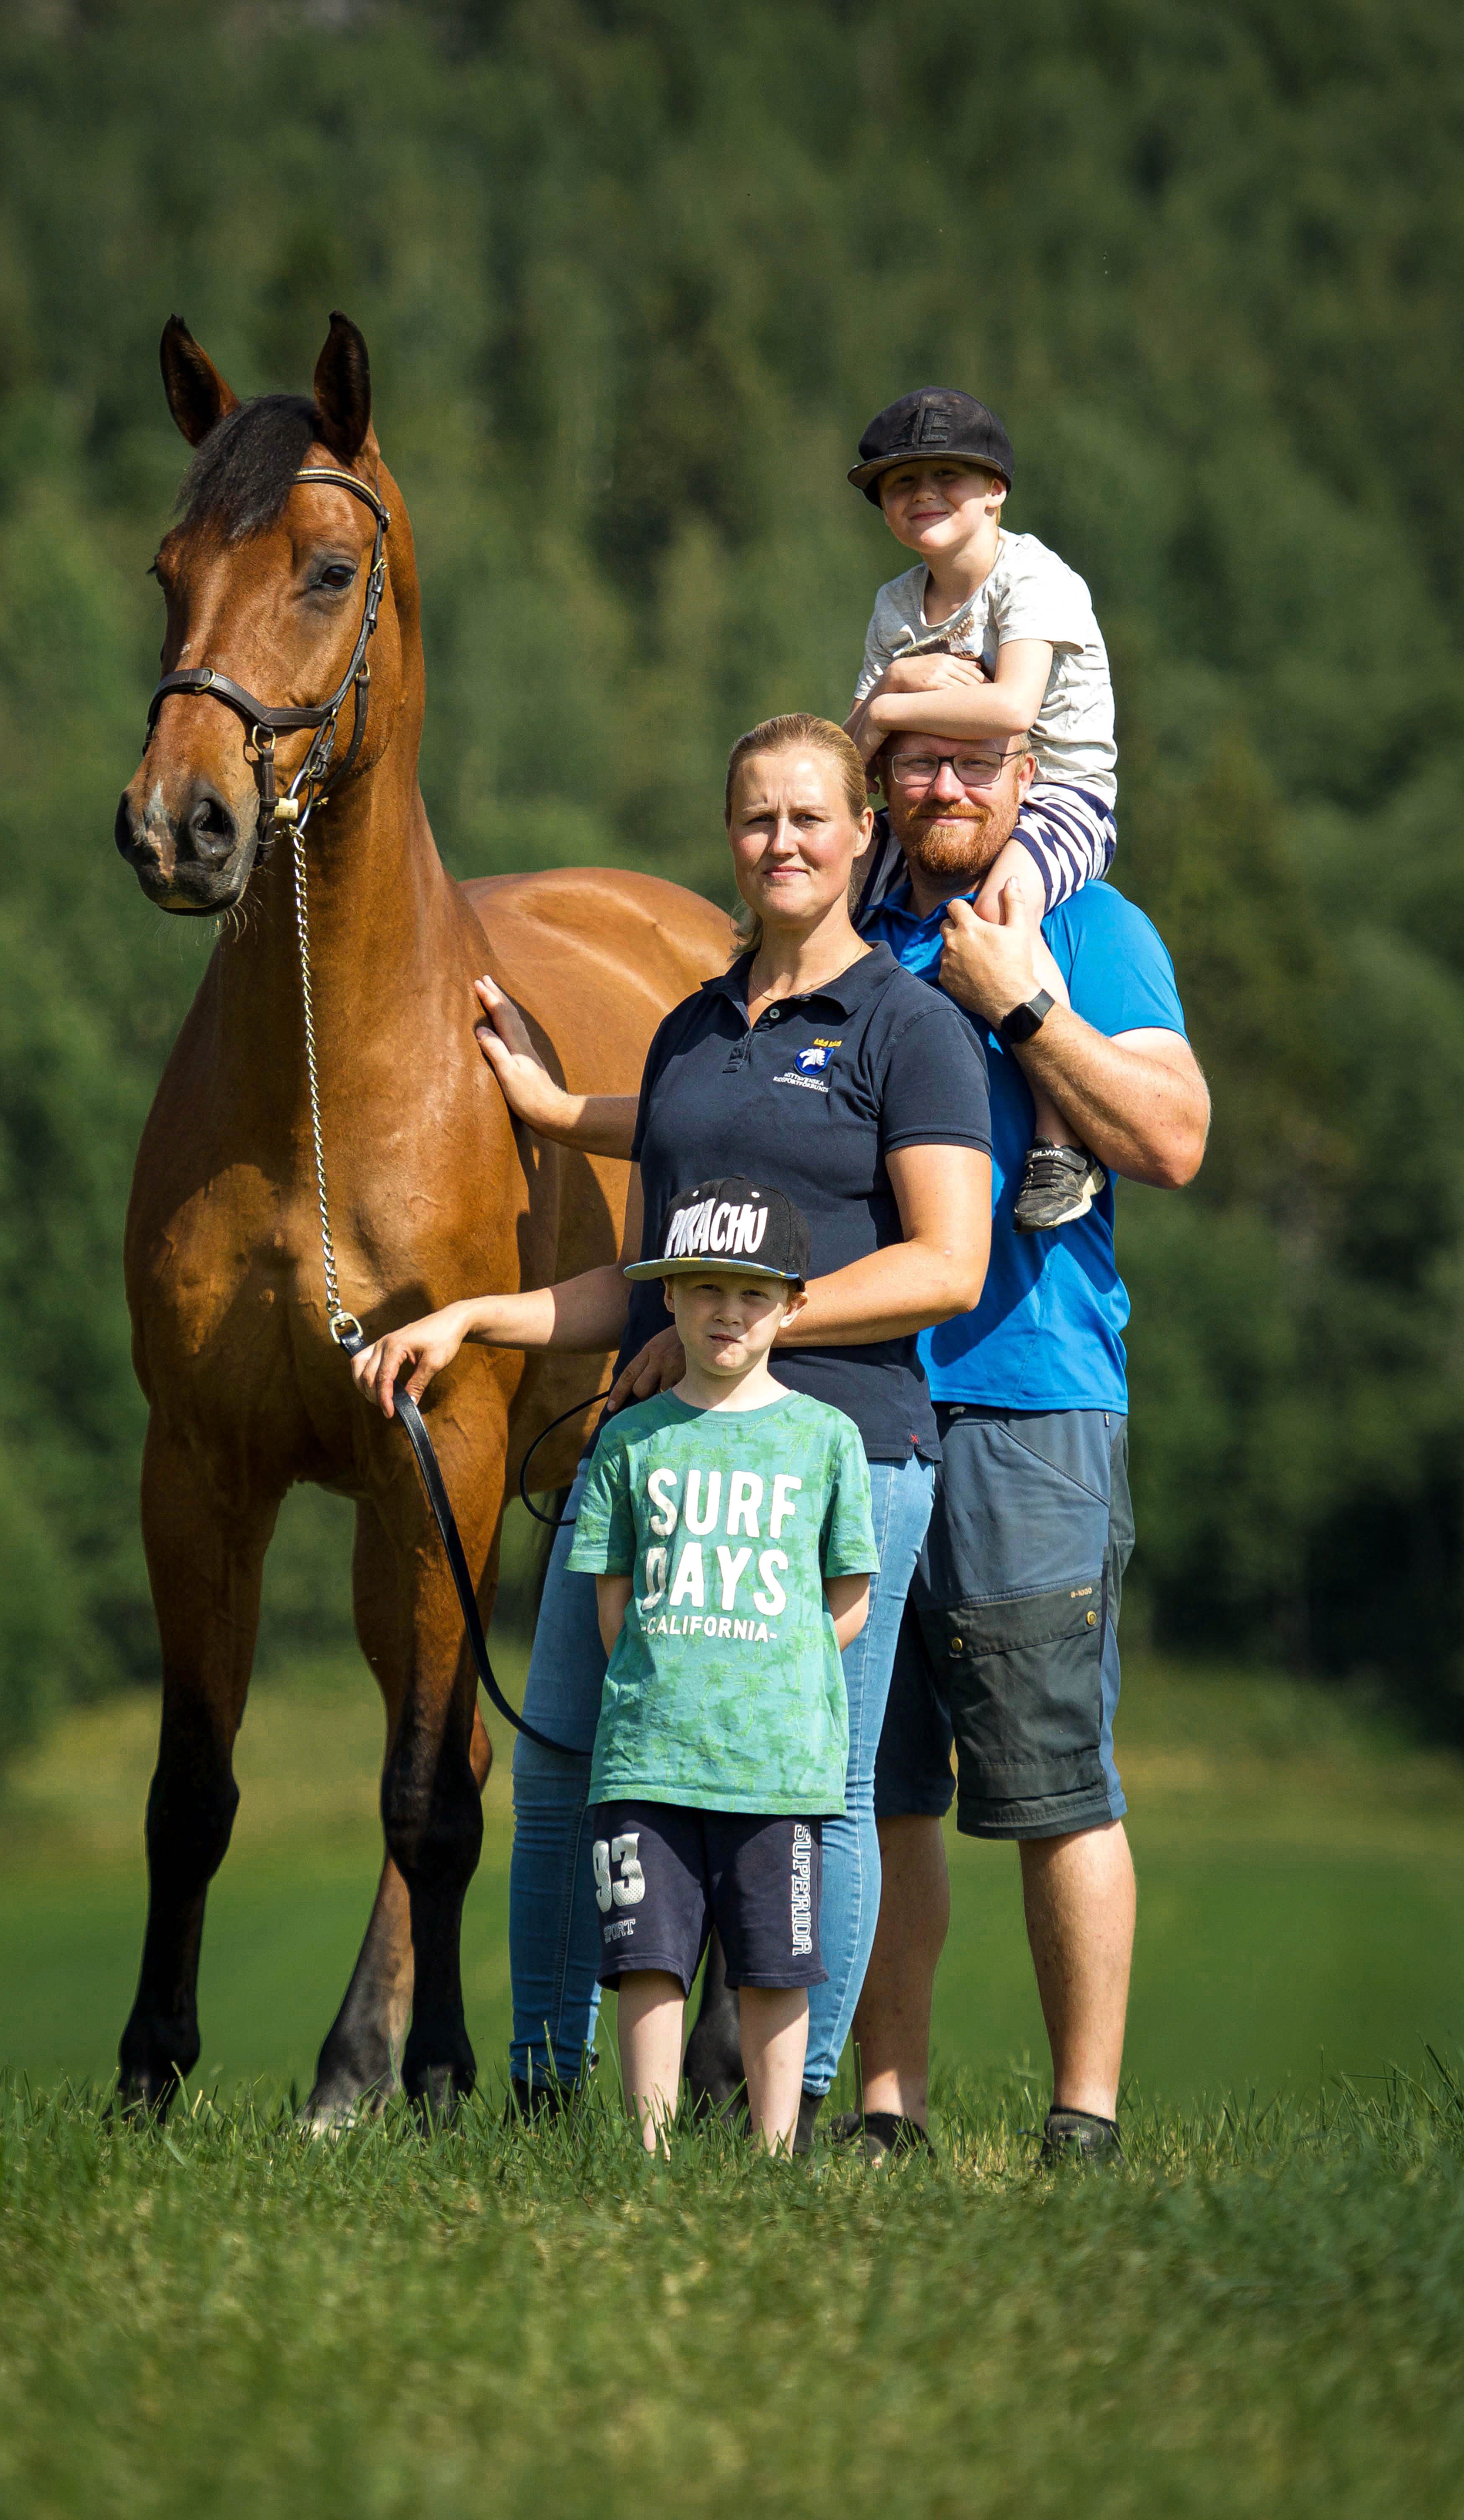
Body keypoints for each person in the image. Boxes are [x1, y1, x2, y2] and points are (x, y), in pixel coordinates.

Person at [357, 713, 992, 2139]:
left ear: (861, 836)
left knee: (813, 1786)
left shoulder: (913, 1029)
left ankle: (795, 2106)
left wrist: (758, 1320)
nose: (783, 843)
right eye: (758, 819)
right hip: (661, 1461)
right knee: (571, 1758)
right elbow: (646, 1287)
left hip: (837, 1457)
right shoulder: (694, 1031)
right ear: (732, 836)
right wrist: (477, 1318)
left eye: (811, 819)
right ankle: (543, 2090)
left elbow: (944, 1265)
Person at [843, 724, 1210, 2167]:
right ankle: (888, 2114)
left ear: (1027, 783)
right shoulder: (845, 929)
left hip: (1031, 1395)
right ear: (881, 779)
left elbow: (1174, 1138)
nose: (945, 789)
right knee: (874, 1785)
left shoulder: (1090, 925)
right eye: (918, 763)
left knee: (1054, 1775)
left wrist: (1025, 1009)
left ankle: (1084, 2123)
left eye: (977, 766)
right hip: (856, 1399)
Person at [569, 1177, 877, 2153]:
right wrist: (681, 1666)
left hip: (776, 1763)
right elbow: (613, 1605)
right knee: (646, 1958)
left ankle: (774, 2150)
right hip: (647, 1759)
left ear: (791, 1303)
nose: (726, 1312)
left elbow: (850, 1599)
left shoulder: (826, 1440)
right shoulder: (628, 1441)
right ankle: (647, 2152)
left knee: (774, 1966)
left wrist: (770, 1663)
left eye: (751, 1293)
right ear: (669, 1298)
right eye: (704, 1289)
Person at [842, 387, 1119, 1233]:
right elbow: (847, 764)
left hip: (1054, 787)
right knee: (836, 888)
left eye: (947, 476)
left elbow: (1010, 710)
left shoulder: (1034, 579)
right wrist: (892, 688)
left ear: (995, 490)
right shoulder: (897, 605)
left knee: (1004, 906)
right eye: (900, 482)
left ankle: (1061, 1139)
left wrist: (891, 705)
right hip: (932, 789)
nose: (922, 494)